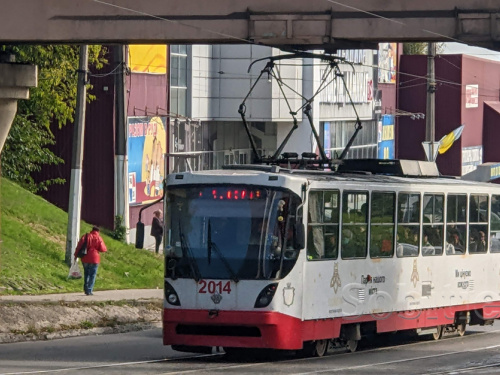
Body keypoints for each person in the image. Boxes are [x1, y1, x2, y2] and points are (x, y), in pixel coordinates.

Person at [74, 226, 107, 296]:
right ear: (98, 231)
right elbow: (103, 249)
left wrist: (75, 255)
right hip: (95, 258)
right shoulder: (99, 238)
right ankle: (89, 289)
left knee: (86, 273)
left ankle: (86, 287)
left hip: (85, 258)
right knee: (92, 275)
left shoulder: (86, 236)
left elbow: (79, 246)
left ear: (92, 230)